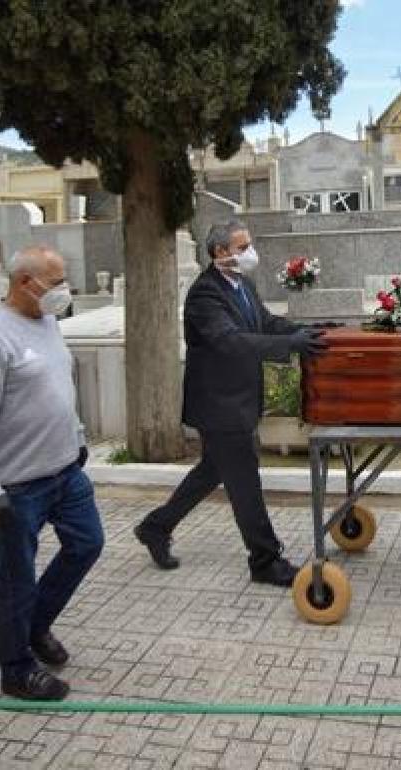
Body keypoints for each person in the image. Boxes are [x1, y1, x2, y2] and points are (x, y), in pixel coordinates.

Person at [133, 219, 326, 586]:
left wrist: (306, 331)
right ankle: (265, 560)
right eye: (242, 247)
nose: (250, 253)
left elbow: (265, 323)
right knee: (244, 482)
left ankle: (155, 527)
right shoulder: (205, 295)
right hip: (220, 406)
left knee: (213, 471)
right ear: (220, 252)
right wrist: (290, 346)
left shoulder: (242, 285)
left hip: (240, 399)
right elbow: (232, 342)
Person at [0, 246, 103, 701]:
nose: (63, 291)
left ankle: (34, 627)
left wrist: (76, 438)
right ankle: (16, 668)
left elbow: (60, 387)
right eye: (55, 282)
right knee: (16, 576)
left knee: (87, 543)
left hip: (64, 472)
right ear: (23, 282)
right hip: (16, 486)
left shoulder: (48, 322)